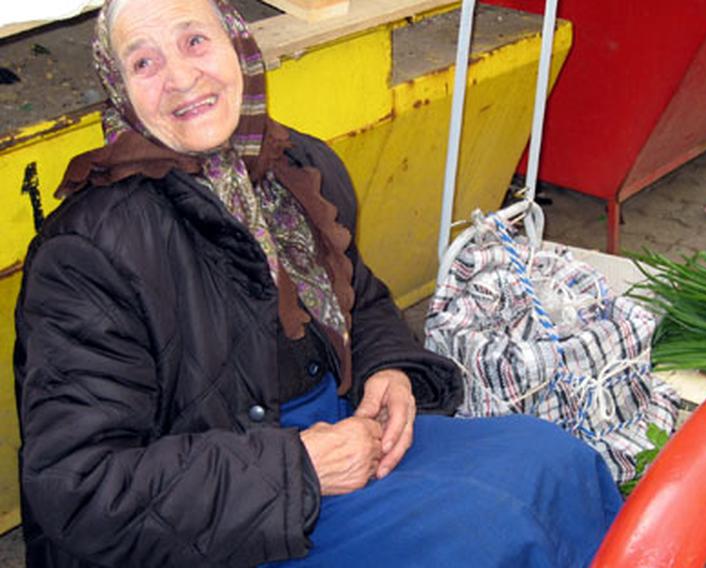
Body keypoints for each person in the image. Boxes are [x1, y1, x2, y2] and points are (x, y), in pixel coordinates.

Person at [13, 0, 623, 566]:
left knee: (555, 460)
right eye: (144, 61)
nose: (180, 78)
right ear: (119, 89)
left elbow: (362, 295)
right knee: (489, 533)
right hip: (227, 518)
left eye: (195, 40)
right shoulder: (89, 252)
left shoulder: (291, 169)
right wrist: (300, 467)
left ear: (238, 47)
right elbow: (78, 486)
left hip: (337, 429)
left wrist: (391, 370)